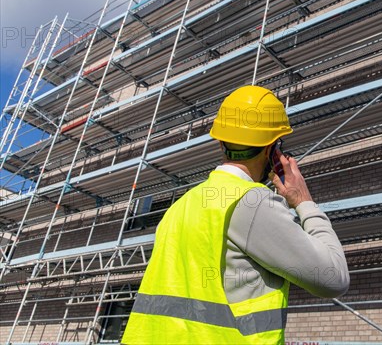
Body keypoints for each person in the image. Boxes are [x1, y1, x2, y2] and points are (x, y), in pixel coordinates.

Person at [122, 85, 349, 344]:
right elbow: (334, 279)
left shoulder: (180, 207)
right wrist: (304, 201)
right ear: (272, 149)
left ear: (220, 141)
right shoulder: (253, 201)